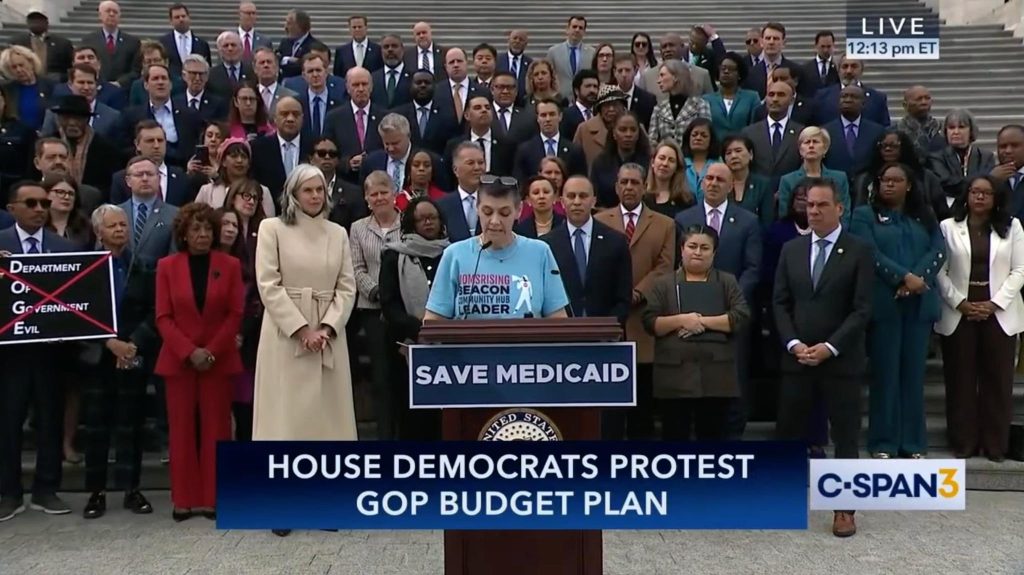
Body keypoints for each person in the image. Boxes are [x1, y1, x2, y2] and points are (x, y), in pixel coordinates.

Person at [252, 164, 358, 536]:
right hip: (286, 335)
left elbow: (347, 288)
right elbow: (268, 284)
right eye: (308, 190)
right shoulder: (272, 228)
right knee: (284, 421)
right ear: (293, 194)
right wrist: (301, 329)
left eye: (319, 190)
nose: (315, 196)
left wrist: (327, 326)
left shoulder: (337, 232)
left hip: (329, 333)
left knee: (329, 421)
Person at [773, 177, 874, 538]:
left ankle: (844, 510)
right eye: (808, 205)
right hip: (797, 359)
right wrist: (794, 343)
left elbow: (862, 310)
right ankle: (777, 500)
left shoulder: (859, 250)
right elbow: (780, 304)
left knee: (845, 436)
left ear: (839, 208)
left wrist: (830, 347)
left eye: (821, 205)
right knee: (787, 431)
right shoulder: (792, 250)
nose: (812, 211)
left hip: (840, 361)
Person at [155, 202, 243, 521]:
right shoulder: (167, 266)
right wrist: (188, 351)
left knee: (217, 429)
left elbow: (235, 313)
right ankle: (184, 498)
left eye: (208, 229)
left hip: (217, 359)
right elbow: (163, 317)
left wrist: (211, 351)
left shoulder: (229, 265)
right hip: (179, 359)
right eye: (196, 229)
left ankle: (213, 497)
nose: (203, 235)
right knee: (181, 430)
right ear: (184, 234)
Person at [850, 162, 945, 459]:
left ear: (909, 185)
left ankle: (914, 443)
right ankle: (884, 442)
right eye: (884, 180)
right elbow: (868, 252)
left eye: (895, 180)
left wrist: (918, 279)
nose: (888, 185)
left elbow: (938, 250)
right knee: (886, 375)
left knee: (913, 376)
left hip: (918, 304)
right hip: (885, 304)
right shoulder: (865, 216)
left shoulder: (925, 215)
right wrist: (903, 278)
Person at [0, 181, 77, 522]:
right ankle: (8, 492)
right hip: (8, 354)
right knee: (8, 421)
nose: (39, 209)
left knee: (50, 420)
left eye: (44, 203)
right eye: (30, 203)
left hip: (51, 351)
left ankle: (47, 487)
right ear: (12, 208)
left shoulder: (65, 247)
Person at [936, 175, 1024, 462]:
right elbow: (939, 271)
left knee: (997, 382)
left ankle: (995, 445)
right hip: (959, 313)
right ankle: (964, 442)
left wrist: (994, 303)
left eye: (986, 193)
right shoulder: (948, 227)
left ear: (996, 198)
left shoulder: (1012, 228)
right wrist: (959, 302)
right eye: (975, 192)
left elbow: (1019, 271)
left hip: (999, 314)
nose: (980, 197)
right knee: (960, 380)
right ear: (967, 195)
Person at [81, 204, 158, 519]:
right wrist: (108, 343)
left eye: (123, 225)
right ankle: (96, 492)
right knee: (98, 428)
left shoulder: (143, 265)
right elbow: (77, 313)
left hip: (132, 353)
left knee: (132, 425)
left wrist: (133, 344)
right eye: (113, 226)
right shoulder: (84, 268)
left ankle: (131, 489)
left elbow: (155, 311)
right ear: (99, 231)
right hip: (99, 357)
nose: (120, 230)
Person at [642, 224, 749, 440]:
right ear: (682, 249)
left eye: (704, 248)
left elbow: (740, 317)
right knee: (675, 438)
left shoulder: (727, 281)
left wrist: (701, 322)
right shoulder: (663, 284)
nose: (698, 252)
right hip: (674, 375)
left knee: (712, 440)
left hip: (716, 376)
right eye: (692, 246)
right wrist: (682, 320)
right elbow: (650, 322)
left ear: (714, 252)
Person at [424, 175, 570, 320]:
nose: (494, 221)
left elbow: (558, 319)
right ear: (477, 209)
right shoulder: (454, 255)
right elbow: (433, 320)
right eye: (487, 212)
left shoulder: (540, 252)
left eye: (504, 213)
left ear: (518, 211)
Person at [379, 196, 450, 440]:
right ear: (410, 223)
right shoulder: (393, 256)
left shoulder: (454, 254)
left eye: (432, 217)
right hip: (406, 348)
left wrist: (443, 330)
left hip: (449, 349)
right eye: (421, 219)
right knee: (413, 421)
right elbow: (389, 304)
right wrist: (420, 329)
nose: (427, 222)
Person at [350, 171, 402, 440]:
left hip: (403, 312)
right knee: (380, 379)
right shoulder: (358, 228)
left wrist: (396, 295)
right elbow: (356, 268)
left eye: (384, 192)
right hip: (373, 311)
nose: (379, 197)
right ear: (367, 198)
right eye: (374, 193)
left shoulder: (407, 224)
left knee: (401, 379)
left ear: (394, 194)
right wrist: (378, 292)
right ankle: (383, 439)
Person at [220, 179, 266, 442]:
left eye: (254, 197)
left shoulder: (266, 230)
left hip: (254, 327)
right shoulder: (221, 235)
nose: (249, 201)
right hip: (223, 329)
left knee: (247, 400)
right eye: (244, 196)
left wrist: (243, 331)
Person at [778, 126, 851, 224]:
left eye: (815, 142)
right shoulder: (787, 180)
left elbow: (844, 214)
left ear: (825, 149)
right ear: (800, 150)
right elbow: (784, 217)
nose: (811, 146)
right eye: (807, 142)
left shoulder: (839, 178)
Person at [722, 135, 774, 227]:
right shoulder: (721, 184)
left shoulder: (763, 185)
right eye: (728, 153)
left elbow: (767, 222)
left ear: (751, 154)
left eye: (738, 151)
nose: (733, 156)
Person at [644, 140, 694, 220]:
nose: (665, 164)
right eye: (661, 158)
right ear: (653, 162)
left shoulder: (686, 200)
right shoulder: (641, 196)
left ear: (677, 168)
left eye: (671, 160)